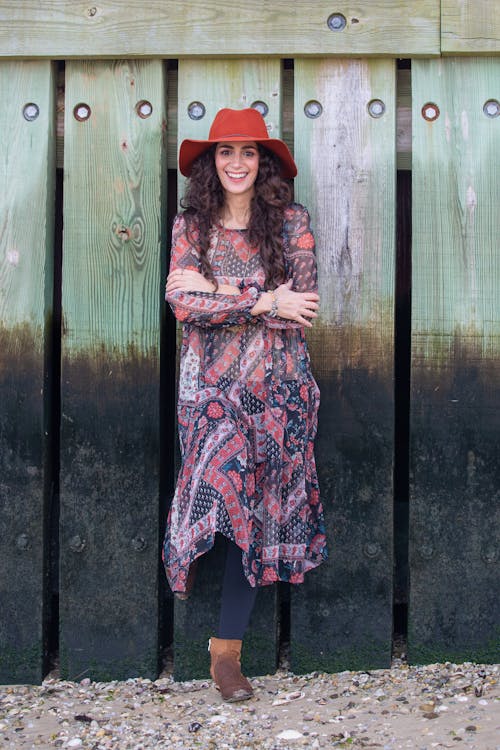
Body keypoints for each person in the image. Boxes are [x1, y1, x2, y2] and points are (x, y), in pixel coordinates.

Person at [163, 107, 327, 702]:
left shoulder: (290, 223)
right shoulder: (191, 227)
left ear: (264, 163)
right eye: (226, 152)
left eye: (249, 152)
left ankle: (225, 655)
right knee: (222, 492)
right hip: (209, 394)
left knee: (254, 515)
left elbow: (302, 303)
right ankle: (212, 641)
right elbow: (181, 303)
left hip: (278, 391)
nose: (237, 163)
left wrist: (221, 292)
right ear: (212, 162)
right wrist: (262, 300)